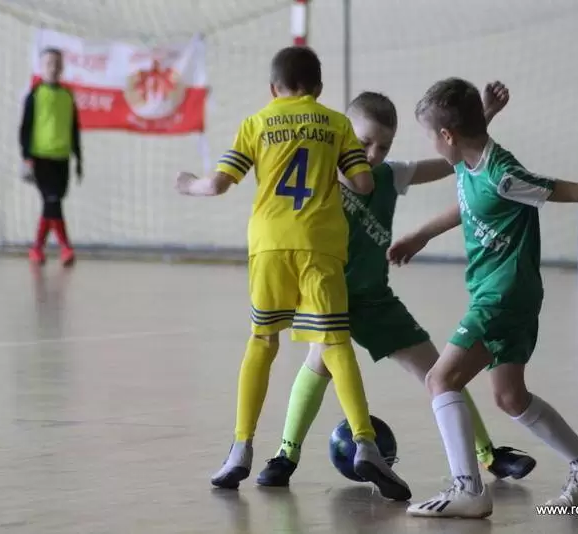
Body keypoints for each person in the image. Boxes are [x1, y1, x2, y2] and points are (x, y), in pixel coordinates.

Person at [387, 77, 578, 518]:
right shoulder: (470, 161)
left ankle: (468, 489)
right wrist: (421, 235)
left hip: (503, 296)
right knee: (509, 396)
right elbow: (470, 200)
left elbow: (575, 191)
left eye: (431, 136)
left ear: (448, 136)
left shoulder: (505, 175)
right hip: (504, 294)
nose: (432, 144)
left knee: (441, 379)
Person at [256, 85, 538, 488]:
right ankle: (286, 455)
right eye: (364, 143)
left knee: (439, 372)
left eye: (383, 147)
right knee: (319, 362)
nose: (372, 154)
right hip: (328, 296)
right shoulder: (317, 177)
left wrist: (483, 118)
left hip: (375, 298)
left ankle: (488, 455)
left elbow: (448, 161)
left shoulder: (390, 175)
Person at [175, 46, 411, 501]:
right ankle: (365, 443)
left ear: (273, 88)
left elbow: (218, 184)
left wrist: (188, 184)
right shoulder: (337, 124)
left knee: (262, 341)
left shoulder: (256, 123)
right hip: (320, 246)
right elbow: (364, 183)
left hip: (268, 244)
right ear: (319, 89)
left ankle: (240, 449)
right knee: (335, 344)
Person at [19, 47, 83, 267]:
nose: (53, 68)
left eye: (57, 64)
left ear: (62, 67)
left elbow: (74, 128)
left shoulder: (67, 96)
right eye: (49, 64)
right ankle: (66, 247)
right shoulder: (35, 95)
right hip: (41, 157)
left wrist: (79, 158)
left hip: (62, 157)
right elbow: (25, 127)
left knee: (52, 203)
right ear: (41, 67)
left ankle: (37, 248)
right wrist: (26, 156)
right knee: (52, 201)